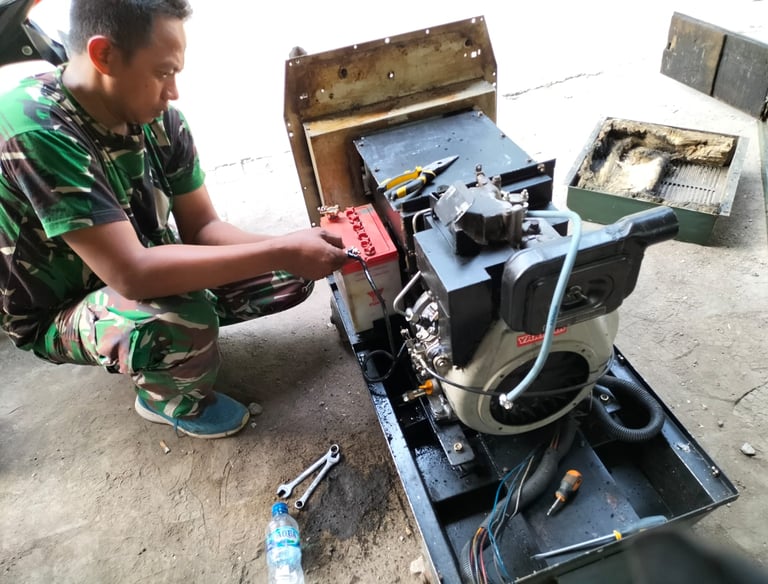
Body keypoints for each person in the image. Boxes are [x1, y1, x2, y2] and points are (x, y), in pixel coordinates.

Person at [0, 0, 349, 439]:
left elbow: (203, 228)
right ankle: (168, 398)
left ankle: (169, 340)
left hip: (138, 259)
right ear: (104, 55)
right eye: (163, 72)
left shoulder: (160, 119)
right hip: (61, 307)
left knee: (289, 274)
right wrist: (279, 251)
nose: (174, 91)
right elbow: (132, 275)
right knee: (178, 316)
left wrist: (290, 247)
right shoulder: (35, 128)